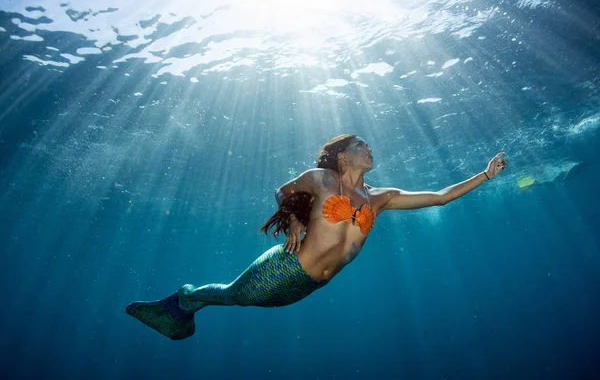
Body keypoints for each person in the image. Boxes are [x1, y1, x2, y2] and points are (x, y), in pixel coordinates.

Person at [126, 134, 507, 340]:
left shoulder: (381, 198)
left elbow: (440, 198)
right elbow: (282, 191)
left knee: (237, 301)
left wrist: (485, 175)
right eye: (362, 146)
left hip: (305, 288)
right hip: (283, 267)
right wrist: (293, 220)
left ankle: (185, 305)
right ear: (342, 156)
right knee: (232, 296)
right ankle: (184, 297)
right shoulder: (322, 179)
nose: (370, 149)